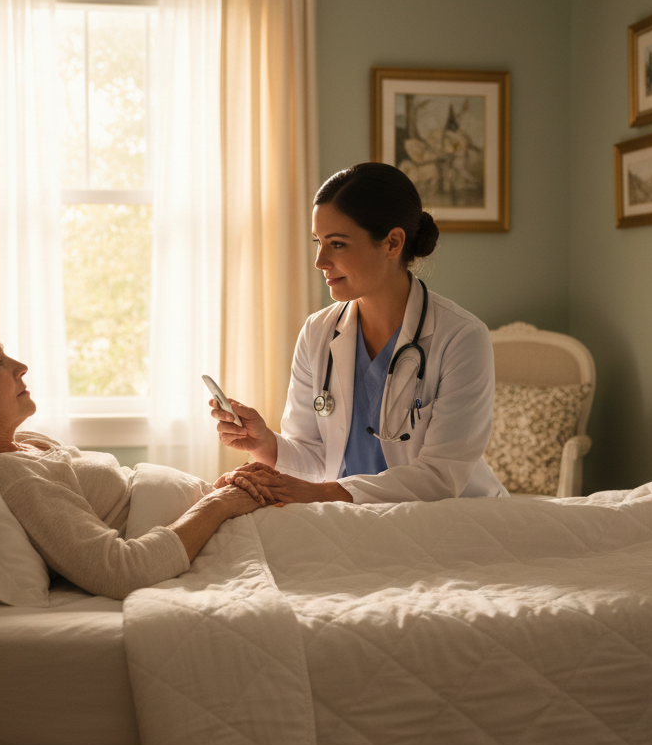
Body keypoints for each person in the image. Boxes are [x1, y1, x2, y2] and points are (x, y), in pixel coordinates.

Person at [0, 313, 266, 600]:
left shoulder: (26, 443)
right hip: (219, 535)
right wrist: (216, 506)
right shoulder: (16, 480)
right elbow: (121, 570)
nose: (20, 367)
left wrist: (217, 493)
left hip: (220, 522)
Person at [211, 162, 507, 505]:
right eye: (317, 242)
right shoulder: (317, 333)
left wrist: (320, 493)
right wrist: (265, 444)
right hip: (354, 522)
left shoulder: (461, 337)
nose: (320, 260)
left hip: (452, 524)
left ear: (393, 243)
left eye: (337, 244)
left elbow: (440, 478)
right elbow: (315, 456)